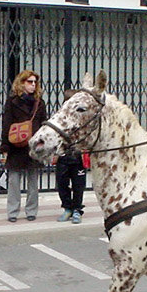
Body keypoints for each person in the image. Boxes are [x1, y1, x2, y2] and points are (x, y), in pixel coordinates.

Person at [0, 70, 47, 222]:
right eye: (29, 82)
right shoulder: (12, 101)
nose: (33, 85)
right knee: (14, 180)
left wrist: (43, 144)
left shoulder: (40, 102)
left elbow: (44, 123)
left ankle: (31, 211)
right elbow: (6, 124)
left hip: (33, 145)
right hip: (16, 145)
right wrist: (4, 147)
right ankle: (12, 212)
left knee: (33, 181)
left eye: (35, 82)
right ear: (22, 83)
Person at [55, 89, 87, 224]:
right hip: (63, 155)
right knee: (62, 183)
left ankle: (77, 210)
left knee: (78, 185)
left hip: (78, 156)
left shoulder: (83, 118)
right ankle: (67, 207)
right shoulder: (61, 117)